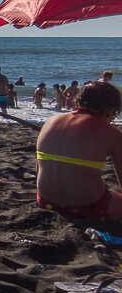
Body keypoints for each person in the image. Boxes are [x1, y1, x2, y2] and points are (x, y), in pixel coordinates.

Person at [35, 81, 122, 221]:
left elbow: (39, 169)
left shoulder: (51, 121)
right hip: (88, 208)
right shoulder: (112, 134)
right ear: (110, 110)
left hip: (45, 201)